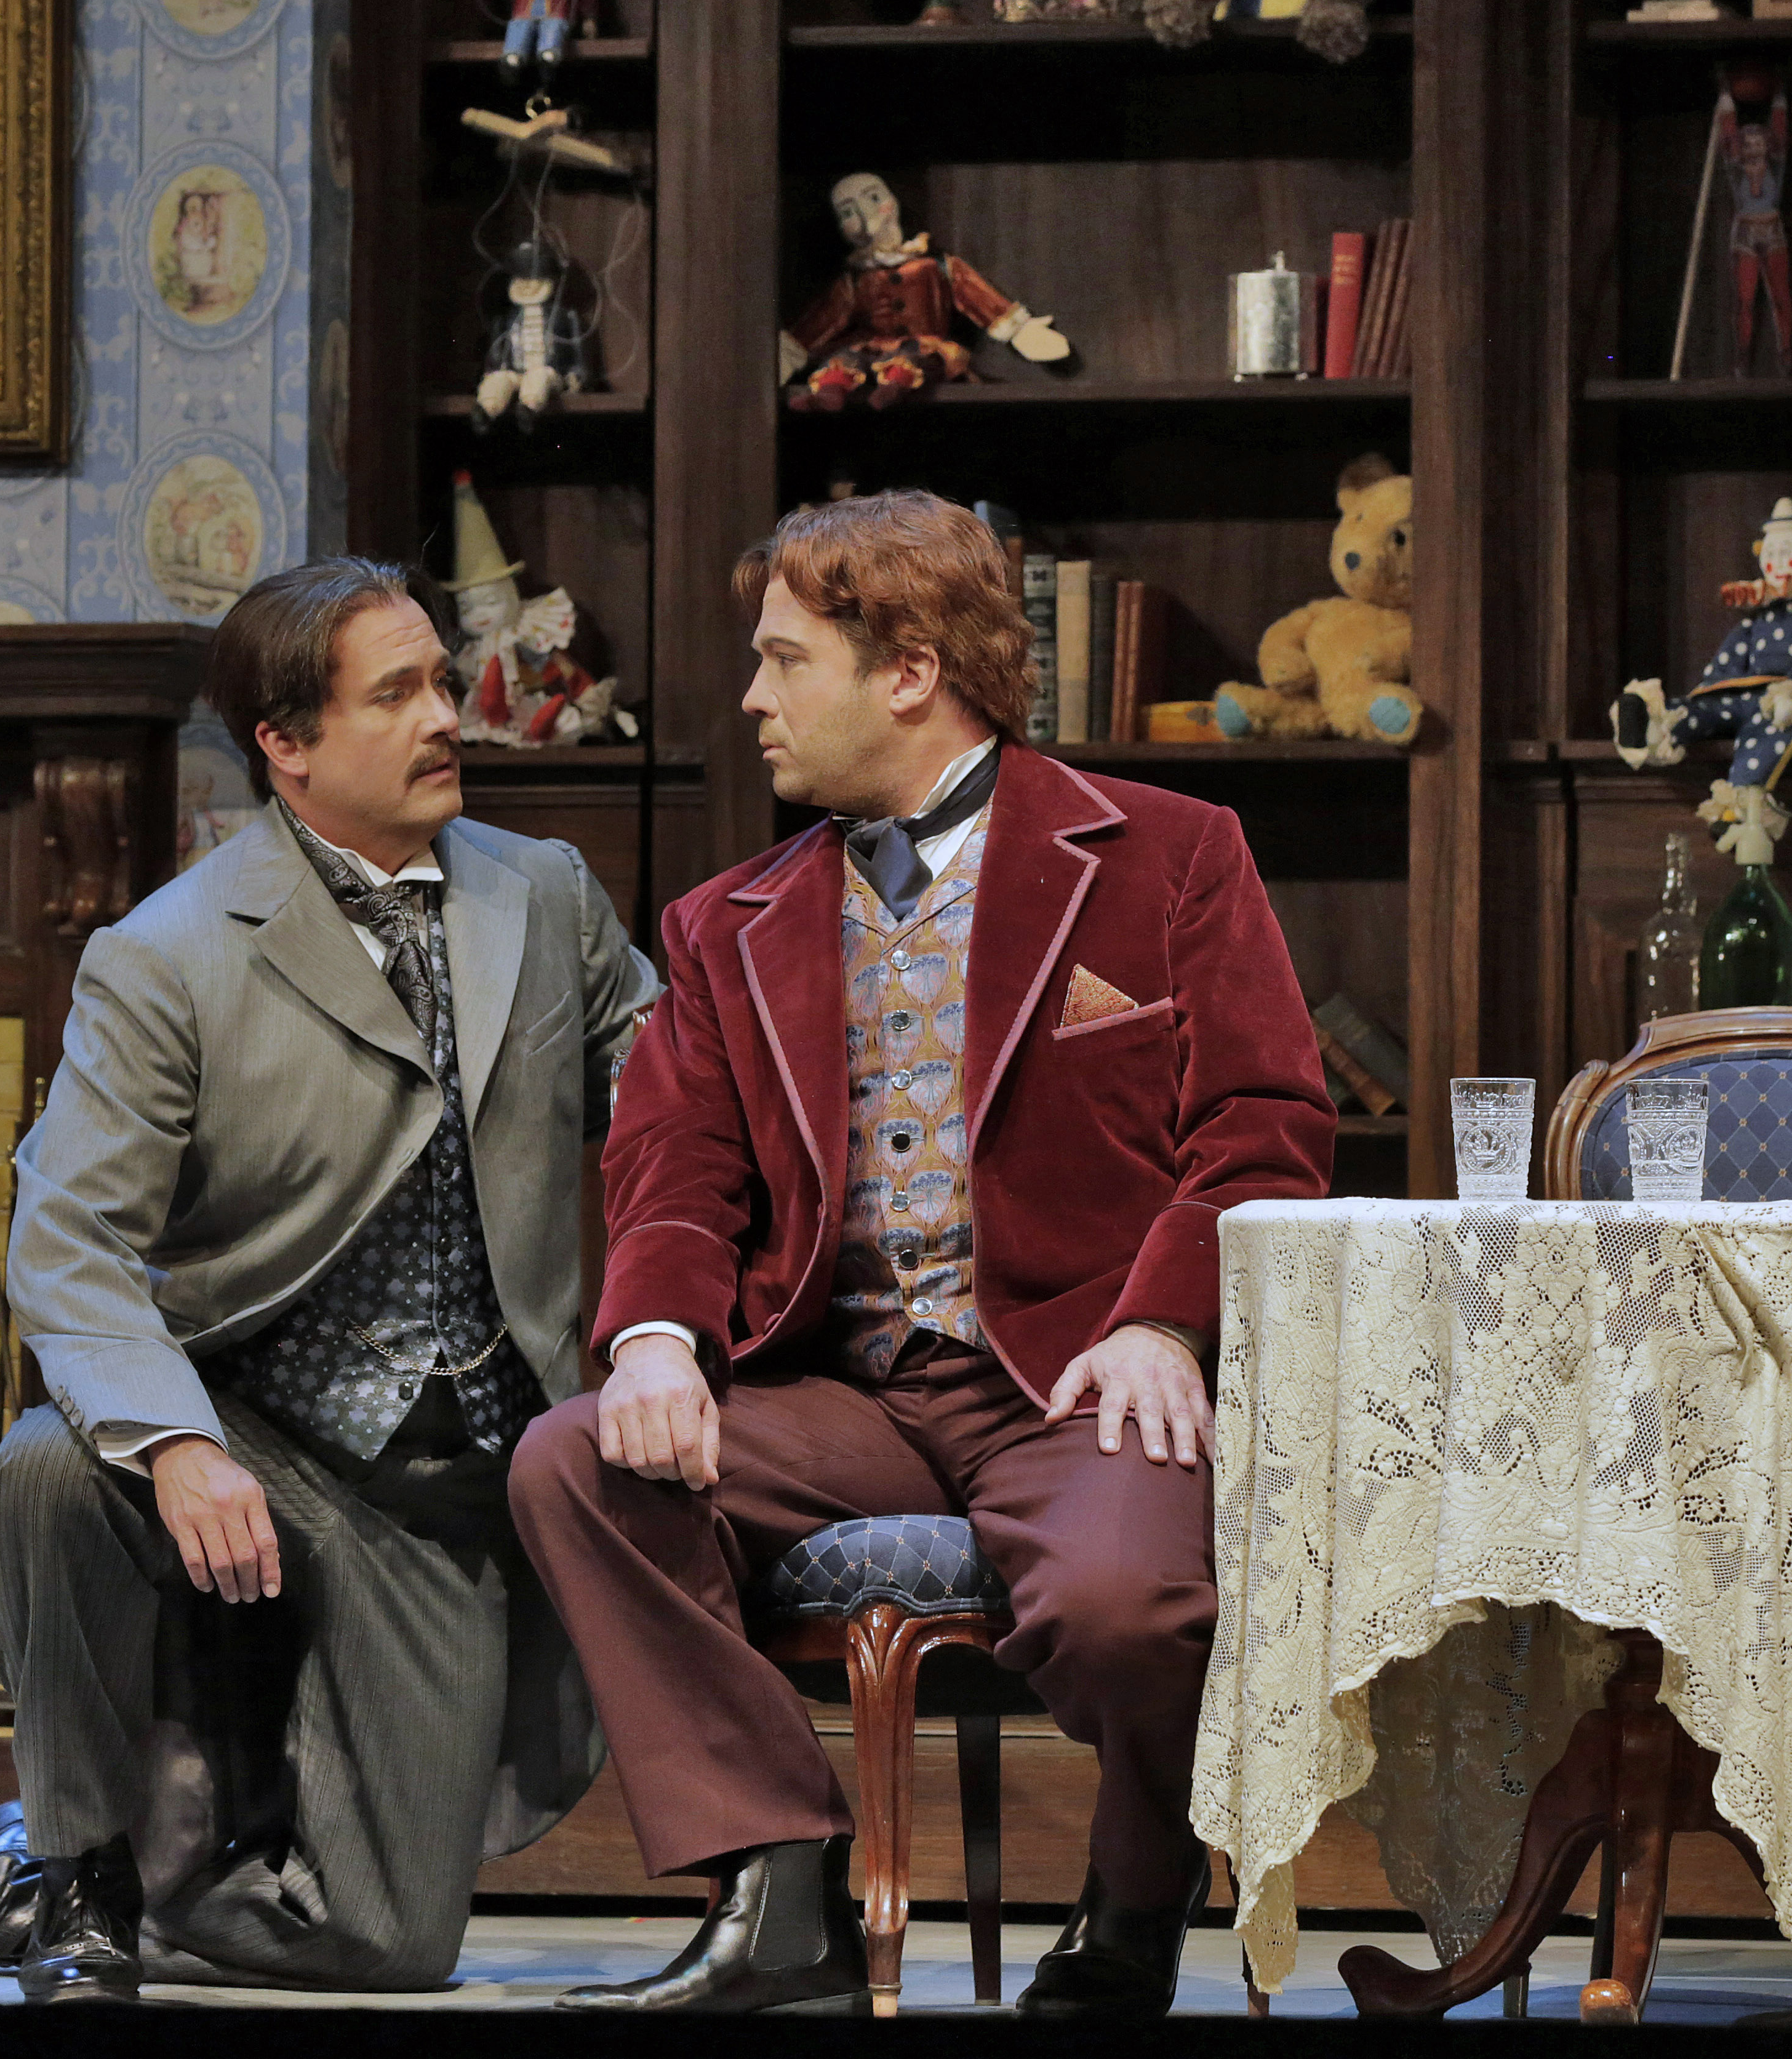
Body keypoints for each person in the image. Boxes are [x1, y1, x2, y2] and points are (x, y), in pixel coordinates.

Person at [0, 556, 659, 2002]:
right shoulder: (169, 957)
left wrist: (668, 1331)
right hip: (246, 1425)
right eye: (399, 694)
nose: (448, 716)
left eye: (444, 683)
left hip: (443, 1491)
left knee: (390, 1945)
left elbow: (680, 1115)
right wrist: (178, 1442)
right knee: (51, 1468)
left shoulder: (545, 895)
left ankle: (23, 1877)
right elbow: (68, 1240)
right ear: (287, 742)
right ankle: (81, 1874)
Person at [508, 492, 1337, 2019]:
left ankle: (1137, 1895)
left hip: (1075, 1375)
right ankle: (778, 1887)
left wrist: (1162, 1325)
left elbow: (1263, 1126)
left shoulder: (1167, 854)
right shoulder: (727, 923)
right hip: (847, 1393)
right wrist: (657, 1342)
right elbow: (675, 1163)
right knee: (575, 1464)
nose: (751, 698)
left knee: (1125, 1605)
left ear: (908, 671)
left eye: (783, 661)